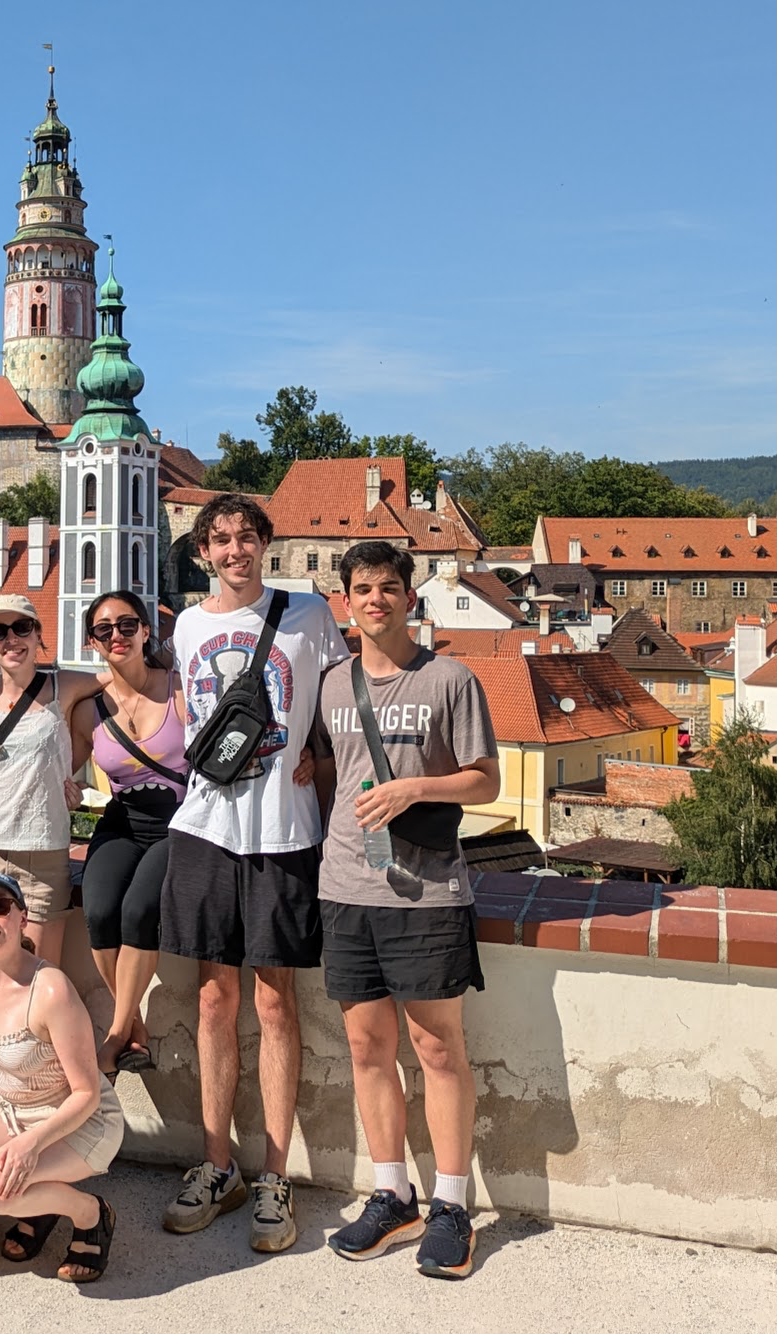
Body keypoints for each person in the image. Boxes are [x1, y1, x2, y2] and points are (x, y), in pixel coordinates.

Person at [158, 493, 349, 1254]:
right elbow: (180, 699)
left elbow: (344, 704)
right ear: (203, 551)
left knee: (275, 1003)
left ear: (266, 544)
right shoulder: (188, 625)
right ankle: (216, 1164)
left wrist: (323, 758)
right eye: (221, 540)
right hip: (207, 826)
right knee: (212, 999)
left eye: (246, 537)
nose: (235, 550)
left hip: (283, 828)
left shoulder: (308, 615)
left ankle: (273, 1176)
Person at [317, 540, 500, 1280]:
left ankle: (453, 1206)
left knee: (435, 1050)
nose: (375, 600)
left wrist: (414, 789)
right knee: (366, 1049)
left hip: (427, 891)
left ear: (409, 596)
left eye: (389, 587)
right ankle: (392, 1193)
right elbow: (330, 773)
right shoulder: (333, 684)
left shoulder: (451, 678)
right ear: (347, 599)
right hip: (345, 886)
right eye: (362, 588)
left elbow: (485, 782)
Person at [0, 872, 124, 1282]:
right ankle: (38, 1204)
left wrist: (30, 1146)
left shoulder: (49, 988)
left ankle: (90, 1213)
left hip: (78, 1118)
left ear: (22, 917)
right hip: (13, 1110)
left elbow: (87, 1093)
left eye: (1, 906)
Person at [69, 589, 186, 1074]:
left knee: (140, 909)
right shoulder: (86, 709)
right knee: (98, 909)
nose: (116, 635)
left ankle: (116, 1035)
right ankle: (132, 1023)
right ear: (92, 643)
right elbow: (62, 767)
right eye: (103, 630)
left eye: (126, 625)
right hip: (123, 820)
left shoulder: (178, 689)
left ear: (144, 630)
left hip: (176, 822)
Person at [0, 593, 101, 964]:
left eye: (22, 627)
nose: (11, 639)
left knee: (40, 966)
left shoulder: (64, 686)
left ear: (39, 635)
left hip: (42, 849)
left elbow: (126, 676)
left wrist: (68, 767)